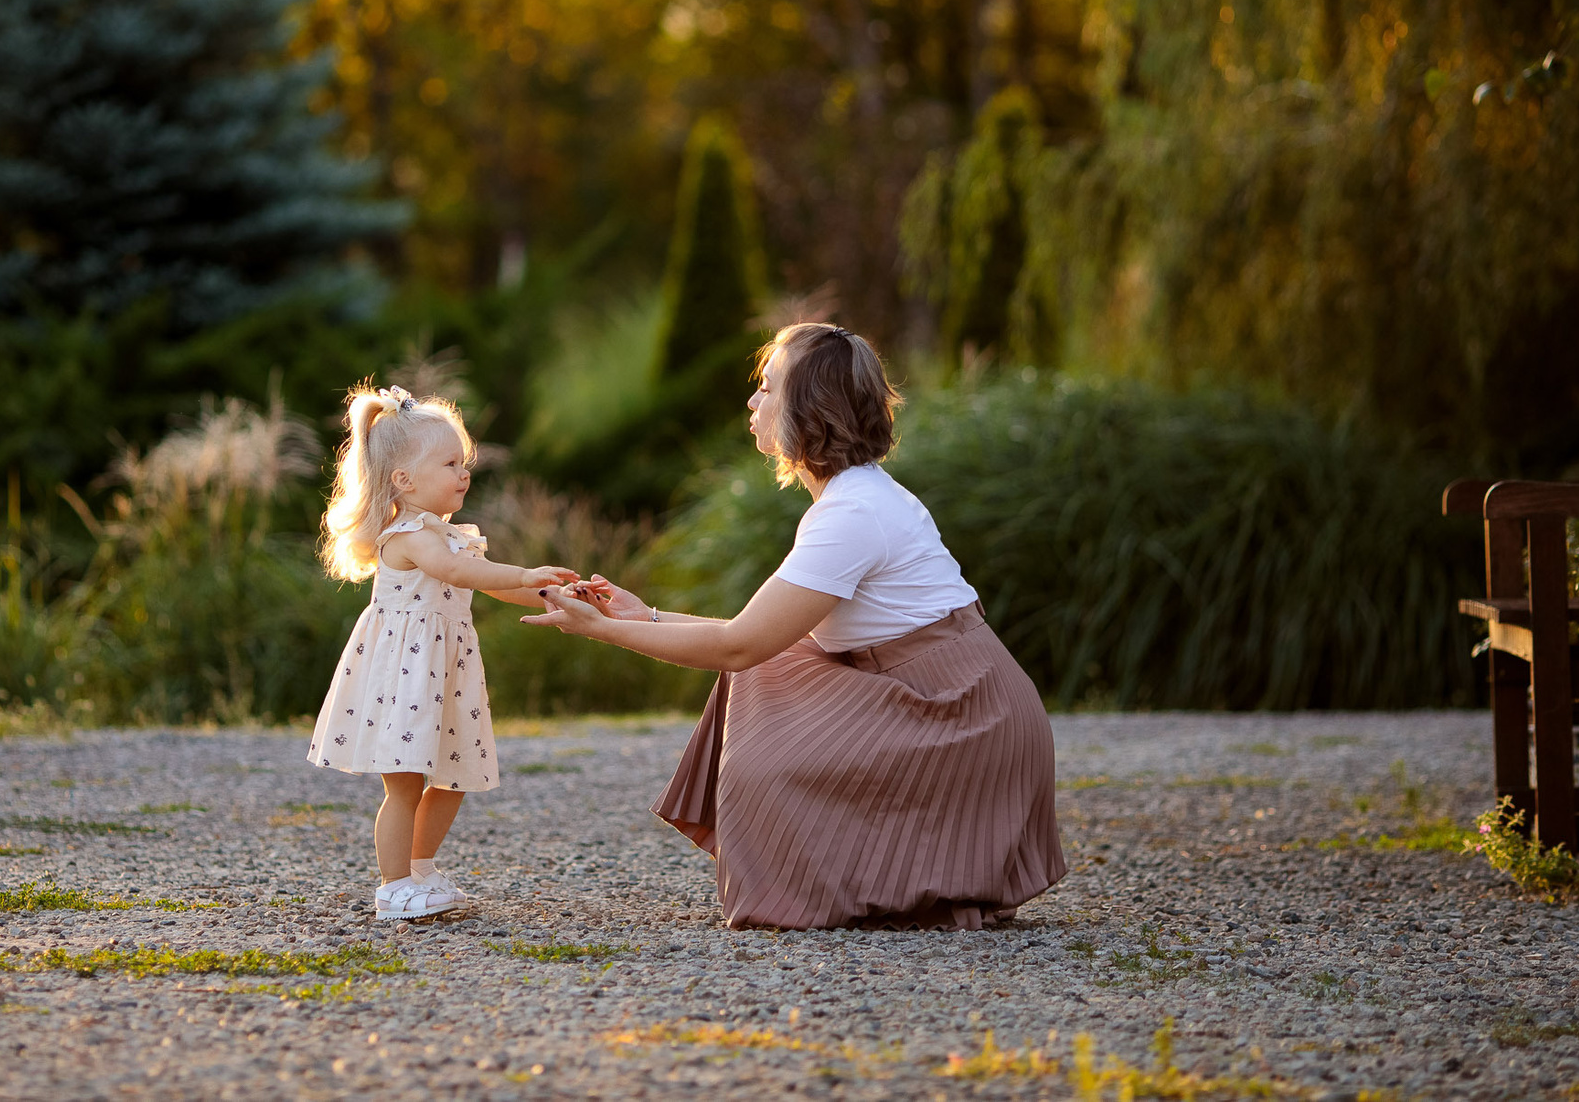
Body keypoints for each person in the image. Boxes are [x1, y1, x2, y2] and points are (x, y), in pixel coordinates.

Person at [522, 322, 1065, 929]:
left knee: (760, 737)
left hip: (964, 715)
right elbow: (754, 634)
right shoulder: (851, 498)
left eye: (768, 387)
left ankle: (899, 882)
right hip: (940, 691)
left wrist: (602, 630)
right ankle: (857, 874)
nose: (753, 401)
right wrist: (640, 614)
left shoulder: (852, 513)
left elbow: (740, 643)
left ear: (810, 409)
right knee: (762, 677)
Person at [308, 383, 579, 921]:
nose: (464, 473)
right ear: (403, 480)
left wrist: (553, 593)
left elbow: (489, 583)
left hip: (444, 672)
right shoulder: (408, 536)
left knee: (454, 777)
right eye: (451, 463)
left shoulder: (451, 535)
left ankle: (420, 867)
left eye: (465, 462)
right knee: (405, 784)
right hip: (405, 675)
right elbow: (459, 573)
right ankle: (393, 888)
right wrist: (525, 570)